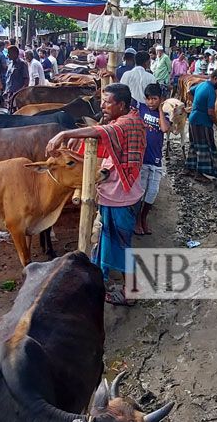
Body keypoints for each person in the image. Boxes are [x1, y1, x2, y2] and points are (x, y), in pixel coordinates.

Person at [44, 84, 146, 304]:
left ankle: (131, 294)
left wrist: (65, 133)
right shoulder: (126, 120)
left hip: (122, 197)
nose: (102, 105)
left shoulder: (128, 123)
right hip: (118, 193)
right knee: (107, 240)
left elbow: (102, 132)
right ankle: (102, 278)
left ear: (121, 104)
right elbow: (103, 135)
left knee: (121, 246)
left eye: (107, 101)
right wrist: (78, 140)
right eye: (101, 100)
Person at [135, 83, 170, 236]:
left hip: (156, 159)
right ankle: (137, 220)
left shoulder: (165, 115)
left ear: (160, 99)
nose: (151, 102)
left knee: (152, 192)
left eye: (154, 99)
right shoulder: (140, 108)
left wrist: (161, 110)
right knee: (140, 191)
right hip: (142, 158)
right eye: (148, 99)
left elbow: (164, 129)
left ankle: (144, 218)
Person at [185, 69, 217, 185]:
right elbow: (211, 112)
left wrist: (195, 105)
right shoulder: (211, 91)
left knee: (194, 145)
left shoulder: (201, 85)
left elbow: (189, 92)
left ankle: (189, 168)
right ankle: (200, 174)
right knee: (205, 147)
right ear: (215, 79)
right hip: (202, 122)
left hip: (193, 119)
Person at [4, 44, 29, 111]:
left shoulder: (22, 64)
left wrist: (16, 94)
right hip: (10, 94)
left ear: (15, 53)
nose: (7, 55)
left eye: (9, 53)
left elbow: (26, 82)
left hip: (18, 95)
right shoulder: (10, 64)